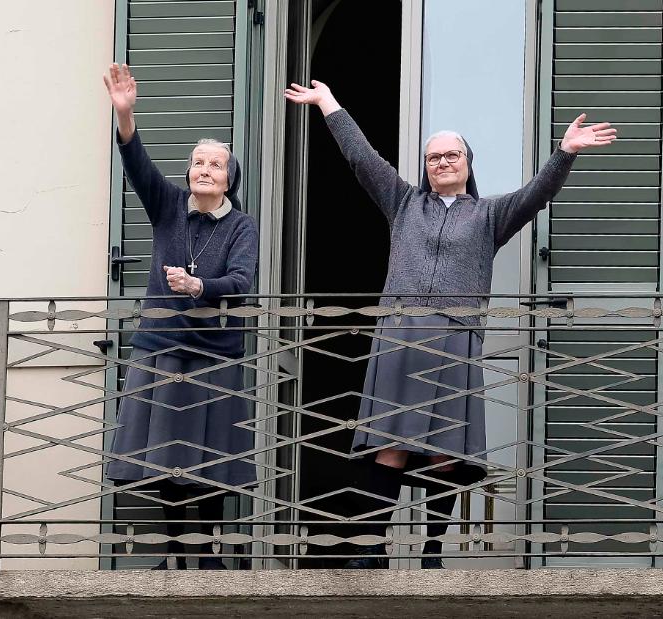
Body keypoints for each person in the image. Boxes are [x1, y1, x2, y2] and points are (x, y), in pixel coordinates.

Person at [285, 79, 615, 568]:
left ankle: (432, 552)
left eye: (452, 154)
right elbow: (361, 158)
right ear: (426, 167)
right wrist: (329, 103)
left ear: (467, 163)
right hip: (399, 334)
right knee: (389, 444)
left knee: (445, 450)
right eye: (434, 156)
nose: (442, 162)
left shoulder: (490, 215)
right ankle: (373, 550)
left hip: (455, 339)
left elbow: (536, 194)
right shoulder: (402, 204)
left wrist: (564, 153)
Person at [103, 63, 259, 570]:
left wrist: (199, 287)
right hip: (163, 349)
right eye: (197, 162)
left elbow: (240, 282)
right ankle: (173, 550)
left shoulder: (241, 227)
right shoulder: (169, 205)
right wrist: (125, 117)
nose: (204, 169)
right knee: (168, 455)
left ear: (230, 177)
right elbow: (138, 166)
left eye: (215, 164)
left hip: (214, 354)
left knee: (209, 457)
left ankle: (208, 553)